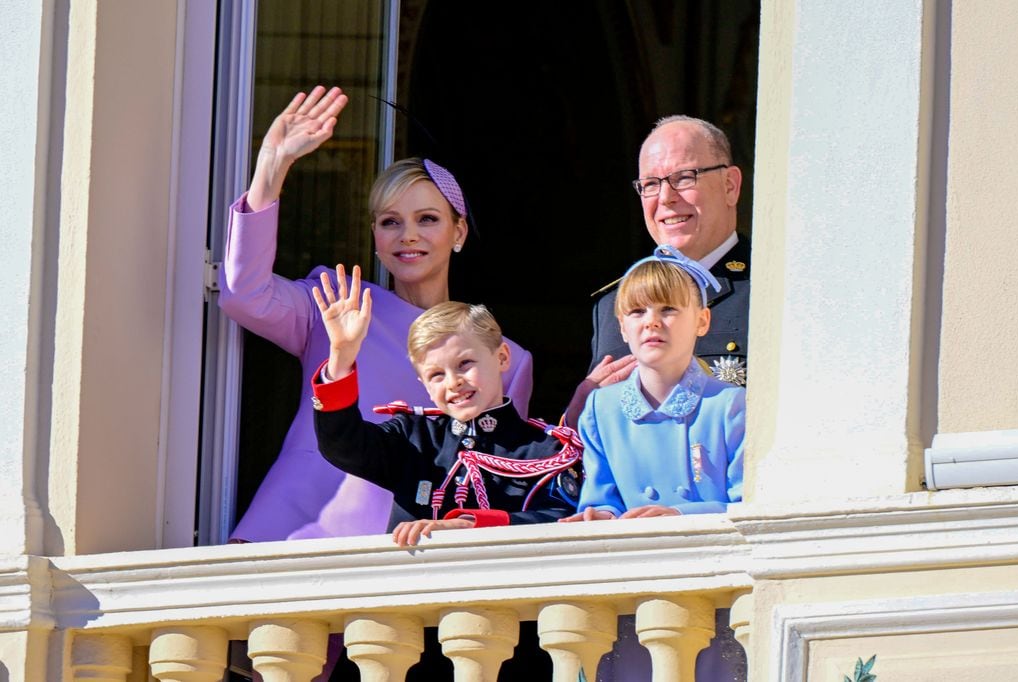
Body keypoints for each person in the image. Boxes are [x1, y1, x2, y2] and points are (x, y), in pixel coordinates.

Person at [219, 86, 533, 543]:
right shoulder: (336, 301)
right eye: (390, 221)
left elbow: (502, 470)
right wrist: (272, 166)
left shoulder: (507, 357)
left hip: (408, 551)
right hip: (295, 534)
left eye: (427, 219)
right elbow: (242, 295)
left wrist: (580, 412)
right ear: (375, 236)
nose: (408, 235)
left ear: (458, 230)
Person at [562, 245, 746, 682]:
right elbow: (600, 496)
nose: (653, 322)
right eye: (638, 311)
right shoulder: (601, 410)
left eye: (669, 309)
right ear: (621, 326)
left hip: (709, 595)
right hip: (631, 597)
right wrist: (596, 515)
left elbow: (748, 509)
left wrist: (680, 515)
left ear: (702, 321)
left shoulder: (729, 406)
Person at [309, 288, 580, 547]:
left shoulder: (547, 450)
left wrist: (472, 525)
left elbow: (567, 521)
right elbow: (343, 446)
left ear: (502, 357)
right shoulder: (414, 438)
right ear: (424, 385)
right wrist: (340, 358)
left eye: (465, 364)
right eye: (436, 375)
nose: (453, 383)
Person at [567, 115, 750, 427]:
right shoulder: (614, 303)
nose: (666, 198)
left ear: (730, 186)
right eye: (651, 184)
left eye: (684, 177)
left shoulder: (769, 287)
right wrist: (579, 407)